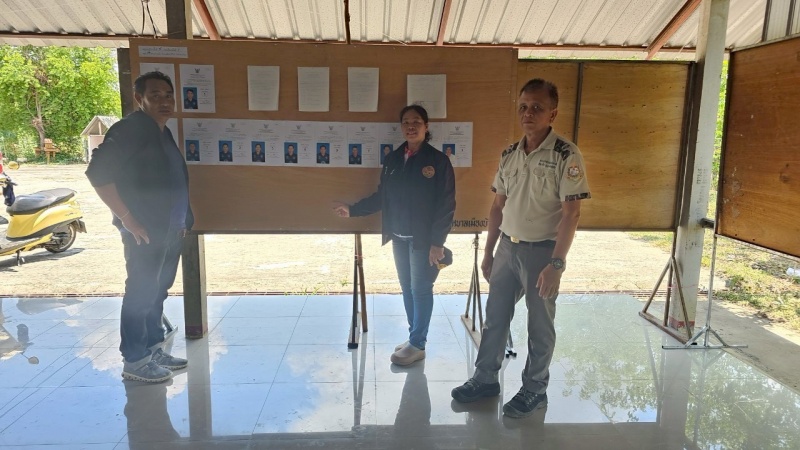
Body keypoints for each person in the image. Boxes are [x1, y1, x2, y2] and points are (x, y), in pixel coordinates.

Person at [451, 79, 591, 418]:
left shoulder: (566, 154)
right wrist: (489, 252)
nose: (528, 113)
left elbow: (572, 214)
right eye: (524, 107)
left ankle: (535, 389)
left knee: (539, 326)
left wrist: (556, 264)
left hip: (543, 253)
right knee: (495, 318)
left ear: (552, 113)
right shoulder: (510, 154)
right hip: (506, 249)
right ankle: (485, 379)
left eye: (537, 107)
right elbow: (497, 207)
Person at [86, 71, 193, 383]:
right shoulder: (131, 129)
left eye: (168, 95)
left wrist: (182, 219)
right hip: (144, 231)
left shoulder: (161, 131)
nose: (164, 101)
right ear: (139, 98)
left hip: (169, 229)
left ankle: (153, 349)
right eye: (155, 95)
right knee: (141, 293)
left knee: (157, 291)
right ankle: (135, 360)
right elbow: (97, 173)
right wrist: (127, 218)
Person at [333, 105, 455, 366]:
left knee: (421, 289)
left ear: (426, 127)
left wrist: (438, 243)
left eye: (417, 121)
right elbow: (382, 196)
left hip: (423, 240)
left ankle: (418, 343)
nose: (411, 126)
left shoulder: (438, 161)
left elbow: (446, 204)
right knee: (407, 288)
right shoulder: (393, 159)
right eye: (406, 122)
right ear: (401, 127)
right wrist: (353, 210)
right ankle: (415, 338)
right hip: (398, 237)